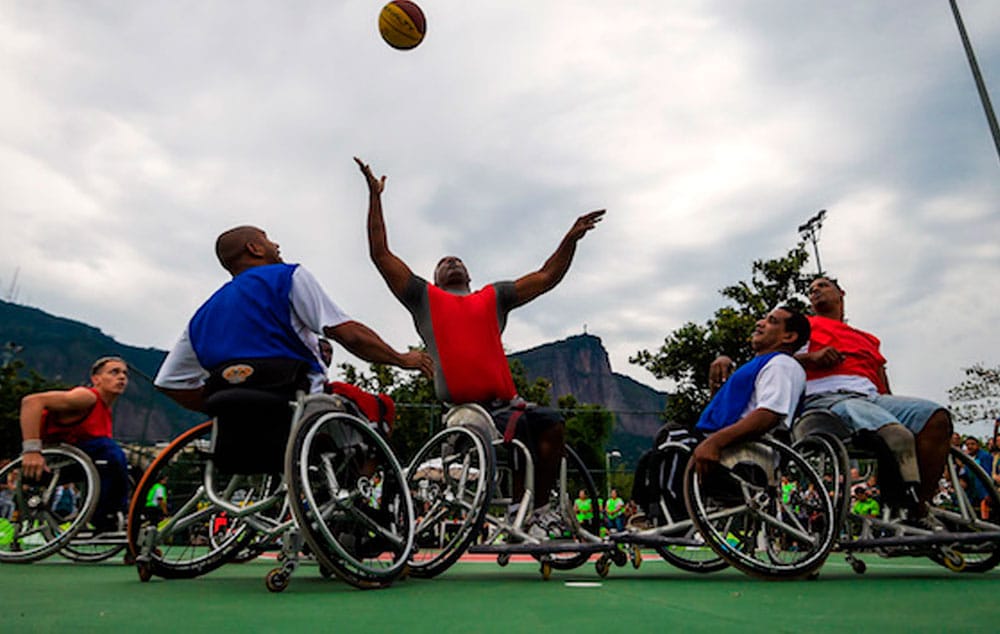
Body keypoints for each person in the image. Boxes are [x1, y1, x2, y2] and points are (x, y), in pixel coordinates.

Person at [355, 157, 604, 511]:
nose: (452, 262)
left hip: (508, 405)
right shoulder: (424, 298)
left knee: (551, 425)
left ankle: (536, 510)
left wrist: (570, 239)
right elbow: (380, 254)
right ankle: (519, 506)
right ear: (436, 277)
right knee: (515, 428)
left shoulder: (494, 297)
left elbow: (546, 276)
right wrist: (375, 197)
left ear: (469, 275)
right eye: (443, 262)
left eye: (457, 260)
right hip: (467, 411)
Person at [712, 276, 952, 519]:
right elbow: (768, 358)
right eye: (811, 289)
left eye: (823, 286)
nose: (815, 291)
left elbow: (881, 382)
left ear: (841, 294)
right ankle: (904, 508)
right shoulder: (802, 326)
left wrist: (893, 405)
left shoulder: (868, 339)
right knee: (894, 433)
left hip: (872, 399)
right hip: (827, 400)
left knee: (935, 417)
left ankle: (921, 506)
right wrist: (811, 358)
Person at [154, 225, 432, 412]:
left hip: (236, 420)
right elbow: (349, 334)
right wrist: (401, 358)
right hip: (297, 406)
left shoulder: (203, 314)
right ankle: (357, 487)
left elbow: (169, 382)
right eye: (268, 239)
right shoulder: (287, 277)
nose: (276, 244)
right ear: (255, 248)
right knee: (380, 409)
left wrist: (224, 404)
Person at [18, 356, 131, 533]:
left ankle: (121, 520)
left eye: (125, 373)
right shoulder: (86, 397)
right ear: (96, 379)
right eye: (114, 372)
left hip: (77, 462)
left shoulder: (105, 411)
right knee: (110, 451)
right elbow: (32, 401)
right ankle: (106, 516)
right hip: (51, 461)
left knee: (122, 463)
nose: (122, 377)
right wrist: (32, 451)